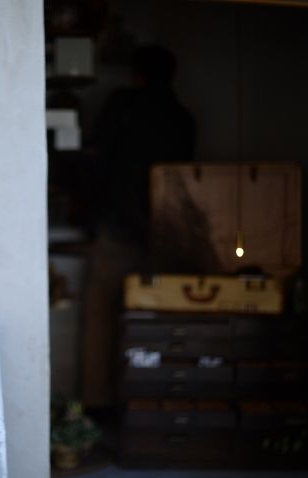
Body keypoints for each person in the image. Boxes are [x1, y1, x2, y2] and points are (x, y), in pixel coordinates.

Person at [81, 45, 195, 406]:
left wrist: (89, 214)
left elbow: (96, 161)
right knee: (153, 320)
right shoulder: (182, 118)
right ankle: (149, 401)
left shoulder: (122, 104)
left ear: (137, 74)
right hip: (164, 234)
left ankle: (98, 402)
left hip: (116, 225)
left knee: (101, 318)